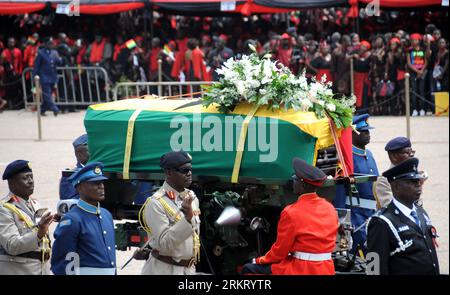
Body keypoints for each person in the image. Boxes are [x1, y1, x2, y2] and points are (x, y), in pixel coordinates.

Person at [241, 158, 339, 275]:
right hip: (326, 268)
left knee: (248, 269)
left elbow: (280, 251)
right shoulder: (329, 208)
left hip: (302, 269)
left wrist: (259, 260)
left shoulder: (291, 212)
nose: (293, 182)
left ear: (302, 185)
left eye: (295, 179)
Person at [366, 158, 440, 275]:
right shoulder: (381, 222)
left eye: (418, 181)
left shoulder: (421, 213)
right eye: (412, 182)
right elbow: (374, 269)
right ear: (396, 187)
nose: (418, 185)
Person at [140, 151, 201, 275]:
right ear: (168, 172)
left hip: (188, 269)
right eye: (184, 170)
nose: (189, 173)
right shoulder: (156, 203)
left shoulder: (192, 198)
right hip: (165, 269)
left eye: (190, 169)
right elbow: (165, 244)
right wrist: (187, 219)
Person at [51, 162, 116, 275]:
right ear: (80, 187)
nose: (101, 186)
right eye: (95, 183)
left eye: (101, 182)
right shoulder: (72, 219)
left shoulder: (106, 215)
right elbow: (62, 262)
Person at [334, 114, 379, 255]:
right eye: (364, 131)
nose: (368, 134)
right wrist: (342, 220)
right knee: (360, 255)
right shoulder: (346, 158)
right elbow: (340, 190)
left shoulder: (369, 154)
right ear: (352, 133)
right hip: (356, 215)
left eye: (368, 131)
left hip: (372, 213)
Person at [0, 160, 55, 275]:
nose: (31, 181)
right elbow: (12, 245)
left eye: (31, 177)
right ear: (12, 183)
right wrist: (39, 233)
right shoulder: (4, 209)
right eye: (25, 178)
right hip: (19, 270)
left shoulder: (35, 204)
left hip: (42, 269)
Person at [32, 37, 64, 116]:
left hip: (53, 77)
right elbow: (36, 66)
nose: (51, 45)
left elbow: (59, 62)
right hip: (44, 77)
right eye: (49, 43)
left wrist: (61, 58)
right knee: (47, 94)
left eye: (52, 43)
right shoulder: (40, 53)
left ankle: (42, 110)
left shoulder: (54, 52)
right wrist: (34, 76)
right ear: (45, 44)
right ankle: (55, 109)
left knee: (48, 95)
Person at [59, 134, 90, 200]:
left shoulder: (99, 170)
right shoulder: (70, 176)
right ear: (79, 155)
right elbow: (69, 201)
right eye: (90, 151)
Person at [407, 33, 428, 117]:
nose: (414, 41)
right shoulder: (409, 50)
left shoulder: (423, 49)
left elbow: (426, 61)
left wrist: (421, 71)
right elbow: (409, 63)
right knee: (414, 91)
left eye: (415, 40)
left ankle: (423, 109)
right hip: (413, 73)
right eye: (412, 40)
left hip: (422, 72)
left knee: (422, 90)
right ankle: (415, 109)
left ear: (419, 41)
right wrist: (417, 71)